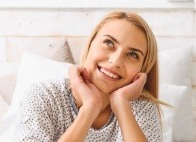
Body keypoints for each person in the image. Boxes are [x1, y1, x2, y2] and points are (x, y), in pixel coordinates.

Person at [15, 11, 167, 142]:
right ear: (90, 44)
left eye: (132, 54)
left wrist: (121, 104)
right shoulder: (42, 97)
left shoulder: (141, 109)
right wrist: (90, 108)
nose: (115, 62)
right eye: (109, 43)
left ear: (142, 69)